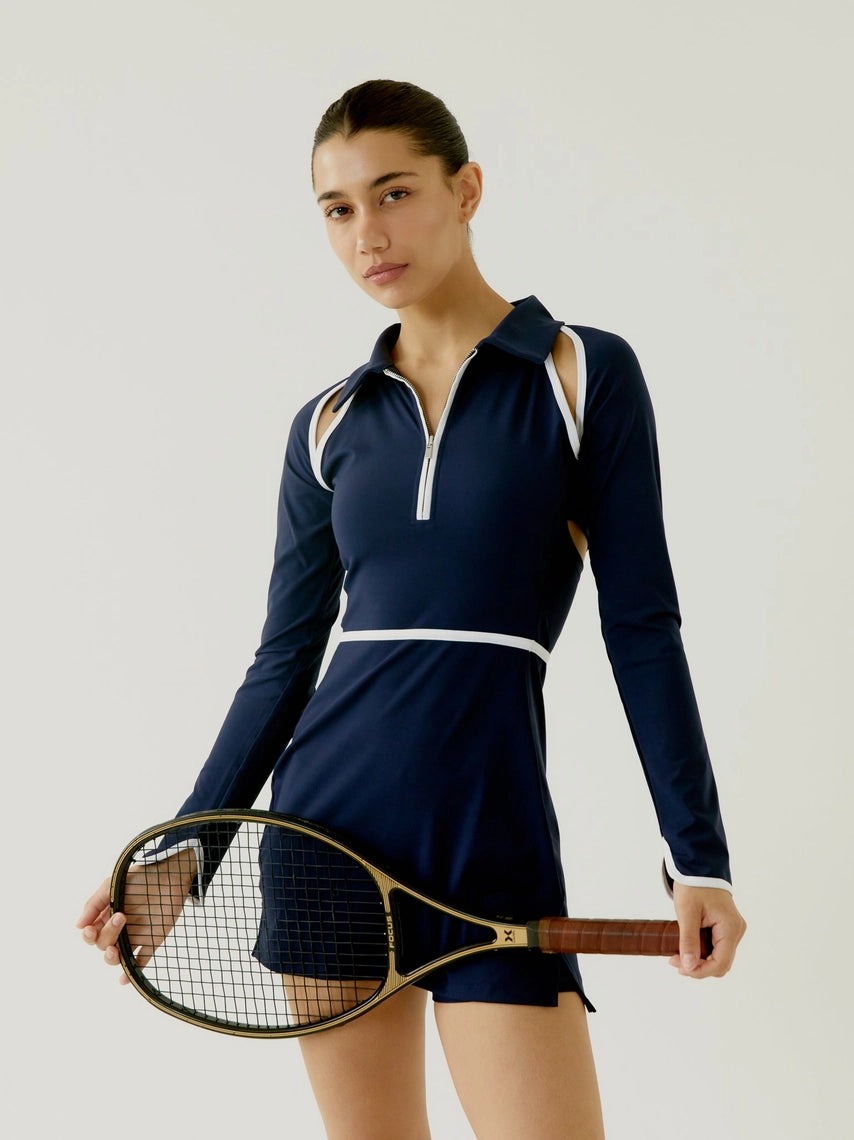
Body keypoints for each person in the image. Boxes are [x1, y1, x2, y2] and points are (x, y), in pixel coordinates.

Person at [78, 79, 746, 1139]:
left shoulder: (580, 372)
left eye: (393, 193)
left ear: (465, 188)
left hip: (491, 837)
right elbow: (282, 660)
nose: (367, 235)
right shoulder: (327, 423)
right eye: (337, 209)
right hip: (323, 838)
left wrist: (694, 853)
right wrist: (187, 851)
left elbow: (641, 627)